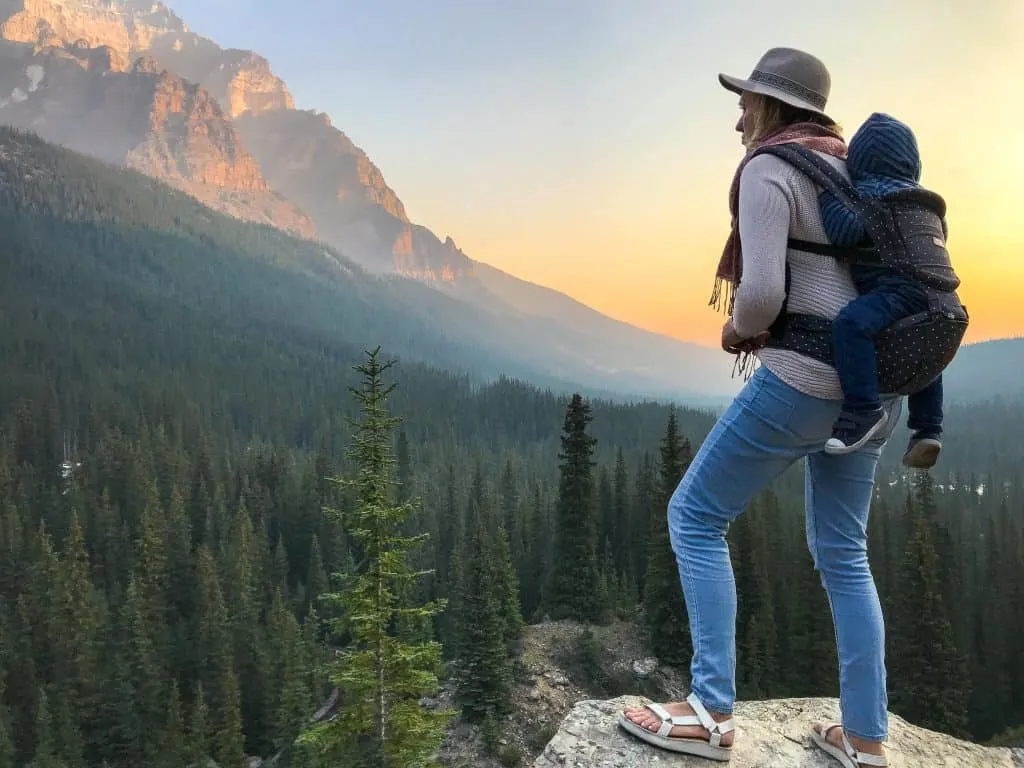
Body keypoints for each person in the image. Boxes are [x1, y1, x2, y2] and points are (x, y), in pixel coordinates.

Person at [618, 47, 894, 768]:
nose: (738, 114)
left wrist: (738, 328)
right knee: (844, 554)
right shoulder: (859, 173)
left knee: (695, 516)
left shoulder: (772, 169)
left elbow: (766, 292)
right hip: (870, 394)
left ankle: (710, 713)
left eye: (747, 101)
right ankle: (866, 738)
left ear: (774, 106)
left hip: (800, 379)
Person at [818, 112, 945, 467]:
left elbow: (842, 232)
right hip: (940, 292)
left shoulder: (873, 196)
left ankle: (863, 409)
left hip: (897, 288)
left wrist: (829, 196)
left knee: (851, 325)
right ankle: (928, 429)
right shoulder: (926, 203)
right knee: (928, 348)